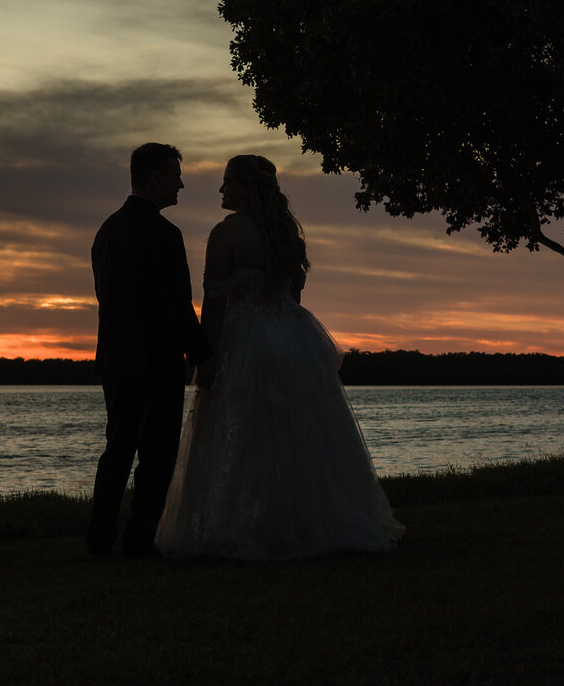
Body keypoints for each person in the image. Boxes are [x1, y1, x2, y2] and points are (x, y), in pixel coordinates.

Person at [156, 154, 403, 559]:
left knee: (243, 431)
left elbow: (213, 303)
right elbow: (293, 297)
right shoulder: (286, 234)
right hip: (292, 339)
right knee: (293, 434)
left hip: (244, 339)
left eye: (228, 182)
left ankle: (241, 523)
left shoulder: (226, 233)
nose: (221, 189)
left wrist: (205, 357)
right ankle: (299, 520)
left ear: (246, 188)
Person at [88, 143, 213, 556]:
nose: (181, 184)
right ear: (155, 177)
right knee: (157, 455)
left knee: (117, 450)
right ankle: (139, 540)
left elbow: (107, 299)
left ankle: (99, 539)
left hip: (116, 360)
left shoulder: (106, 231)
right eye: (175, 175)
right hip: (157, 360)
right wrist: (202, 355)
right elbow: (176, 305)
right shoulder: (165, 234)